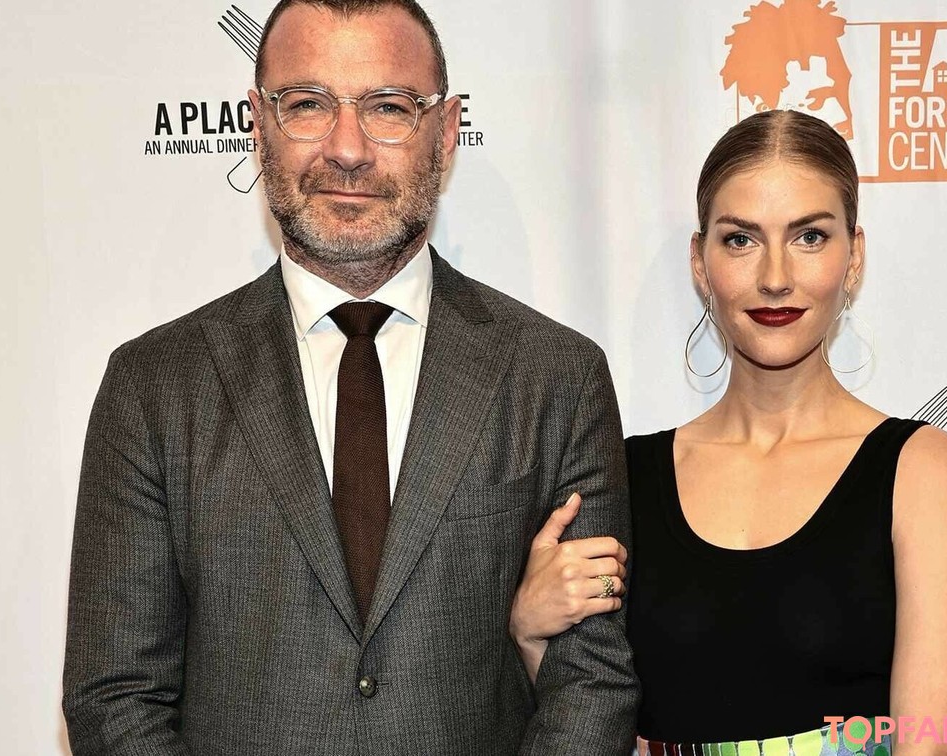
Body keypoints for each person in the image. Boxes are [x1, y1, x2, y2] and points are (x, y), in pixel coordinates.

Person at [62, 1, 638, 753]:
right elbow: (114, 701)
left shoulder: (555, 376)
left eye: (388, 108)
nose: (346, 149)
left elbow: (591, 684)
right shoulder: (154, 387)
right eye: (306, 104)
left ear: (448, 129)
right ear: (257, 123)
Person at [510, 110, 947, 755]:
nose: (774, 277)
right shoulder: (623, 473)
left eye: (810, 236)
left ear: (854, 256)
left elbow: (935, 746)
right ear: (700, 263)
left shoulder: (922, 469)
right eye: (741, 240)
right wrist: (532, 635)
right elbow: (598, 727)